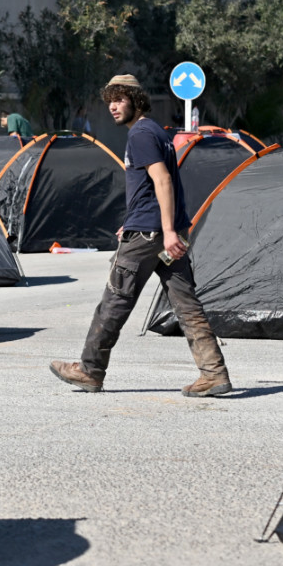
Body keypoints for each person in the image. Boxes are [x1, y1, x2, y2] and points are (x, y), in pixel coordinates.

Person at [50, 74, 231, 398]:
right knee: (186, 304)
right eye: (110, 101)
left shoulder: (141, 135)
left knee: (114, 301)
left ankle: (90, 370)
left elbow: (162, 182)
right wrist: (143, 224)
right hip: (159, 231)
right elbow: (151, 189)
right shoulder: (156, 132)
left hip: (153, 235)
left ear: (136, 100)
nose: (113, 107)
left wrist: (166, 231)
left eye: (119, 99)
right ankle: (213, 373)